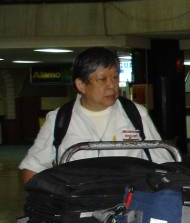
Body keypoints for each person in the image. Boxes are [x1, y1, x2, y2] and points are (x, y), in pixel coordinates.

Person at [19, 47, 173, 183]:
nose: (112, 85)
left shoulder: (136, 114)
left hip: (128, 204)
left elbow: (164, 162)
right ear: (81, 85)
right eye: (102, 79)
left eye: (115, 77)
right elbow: (33, 168)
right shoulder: (59, 119)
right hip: (79, 206)